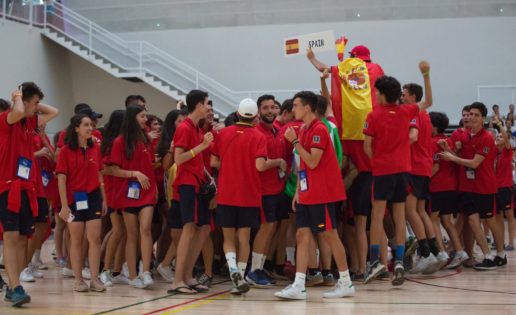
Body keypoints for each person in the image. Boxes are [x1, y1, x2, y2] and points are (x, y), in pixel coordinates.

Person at [276, 91, 354, 300]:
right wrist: (299, 191)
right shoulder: (303, 129)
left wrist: (294, 142)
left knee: (330, 234)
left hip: (323, 193)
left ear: (307, 108)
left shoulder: (319, 129)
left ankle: (346, 282)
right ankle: (299, 285)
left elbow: (312, 161)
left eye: (295, 105)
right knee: (302, 235)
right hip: (308, 192)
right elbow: (303, 165)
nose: (292, 110)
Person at [363, 61, 433, 285]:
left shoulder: (373, 116)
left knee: (377, 215)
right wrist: (426, 74)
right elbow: (429, 101)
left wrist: (376, 163)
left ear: (382, 95)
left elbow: (367, 146)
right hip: (403, 171)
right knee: (400, 214)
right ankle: (401, 261)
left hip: (383, 171)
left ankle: (375, 262)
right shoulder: (406, 111)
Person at [0, 82, 58, 307]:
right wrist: (18, 98)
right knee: (11, 237)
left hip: (26, 187)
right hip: (7, 187)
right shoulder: (6, 119)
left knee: (24, 238)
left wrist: (32, 102)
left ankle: (13, 284)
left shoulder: (30, 122)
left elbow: (54, 111)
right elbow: (17, 112)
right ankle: (15, 287)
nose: (37, 108)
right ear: (22, 103)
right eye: (34, 103)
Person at [211, 98, 273, 294]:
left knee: (228, 238)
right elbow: (260, 166)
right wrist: (276, 162)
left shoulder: (223, 133)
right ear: (255, 117)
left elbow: (213, 161)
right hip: (249, 194)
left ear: (237, 114)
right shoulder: (259, 136)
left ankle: (232, 271)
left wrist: (229, 167)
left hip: (227, 193)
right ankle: (240, 272)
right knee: (244, 238)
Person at [440, 102, 507, 270]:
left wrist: (452, 158)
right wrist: (450, 150)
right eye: (471, 114)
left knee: (491, 221)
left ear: (483, 118)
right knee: (472, 220)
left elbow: (475, 163)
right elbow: (461, 157)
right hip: (467, 187)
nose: (472, 117)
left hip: (485, 186)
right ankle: (487, 255)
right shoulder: (465, 135)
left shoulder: (487, 137)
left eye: (477, 115)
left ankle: (501, 254)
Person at [169, 90, 213, 294]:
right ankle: (178, 280)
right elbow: (178, 159)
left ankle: (187, 275)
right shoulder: (185, 128)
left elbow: (195, 160)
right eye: (206, 104)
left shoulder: (197, 128)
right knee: (189, 228)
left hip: (198, 182)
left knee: (203, 229)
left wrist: (208, 177)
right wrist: (202, 147)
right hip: (186, 184)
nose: (209, 107)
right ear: (197, 105)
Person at [57, 113, 107, 292]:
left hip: (93, 197)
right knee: (76, 239)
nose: (90, 128)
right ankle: (78, 279)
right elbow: (61, 180)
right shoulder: (65, 151)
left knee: (95, 238)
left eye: (91, 125)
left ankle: (94, 279)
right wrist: (63, 205)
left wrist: (104, 197)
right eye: (86, 125)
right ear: (76, 128)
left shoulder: (95, 148)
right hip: (73, 199)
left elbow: (99, 174)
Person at [108, 105, 157, 288]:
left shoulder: (145, 139)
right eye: (142, 116)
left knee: (145, 229)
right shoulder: (120, 142)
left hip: (146, 192)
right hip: (128, 193)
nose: (146, 119)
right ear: (132, 118)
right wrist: (134, 173)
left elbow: (150, 165)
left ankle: (145, 271)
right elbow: (113, 170)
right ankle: (133, 276)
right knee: (132, 234)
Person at [247, 95, 287, 288]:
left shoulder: (278, 131)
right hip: (263, 190)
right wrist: (278, 162)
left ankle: (260, 267)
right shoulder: (256, 132)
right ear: (258, 111)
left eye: (273, 107)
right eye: (265, 108)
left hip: (278, 188)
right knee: (265, 228)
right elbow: (259, 165)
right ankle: (253, 271)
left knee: (272, 229)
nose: (270, 111)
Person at [401, 83, 442, 274]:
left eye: (405, 94)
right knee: (420, 210)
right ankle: (437, 252)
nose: (402, 97)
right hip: (424, 167)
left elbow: (413, 137)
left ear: (414, 97)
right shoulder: (425, 114)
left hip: (415, 166)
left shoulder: (414, 114)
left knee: (410, 211)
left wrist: (393, 143)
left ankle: (426, 254)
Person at [428, 111, 469, 269]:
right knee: (446, 220)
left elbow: (435, 167)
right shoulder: (448, 141)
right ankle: (459, 251)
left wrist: (423, 181)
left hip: (438, 186)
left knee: (433, 220)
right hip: (451, 186)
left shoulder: (434, 142)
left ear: (435, 126)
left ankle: (442, 252)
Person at [99, 110, 128, 287]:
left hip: (123, 190)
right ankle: (105, 269)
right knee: (118, 230)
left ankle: (117, 269)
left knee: (125, 232)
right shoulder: (110, 144)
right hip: (112, 192)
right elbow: (104, 169)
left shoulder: (124, 142)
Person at [492, 115, 515, 252]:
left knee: (510, 216)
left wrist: (499, 125)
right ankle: (499, 240)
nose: (498, 138)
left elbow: (506, 139)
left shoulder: (507, 151)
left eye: (501, 137)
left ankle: (511, 242)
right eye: (497, 137)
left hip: (505, 187)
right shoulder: (494, 153)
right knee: (498, 216)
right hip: (494, 188)